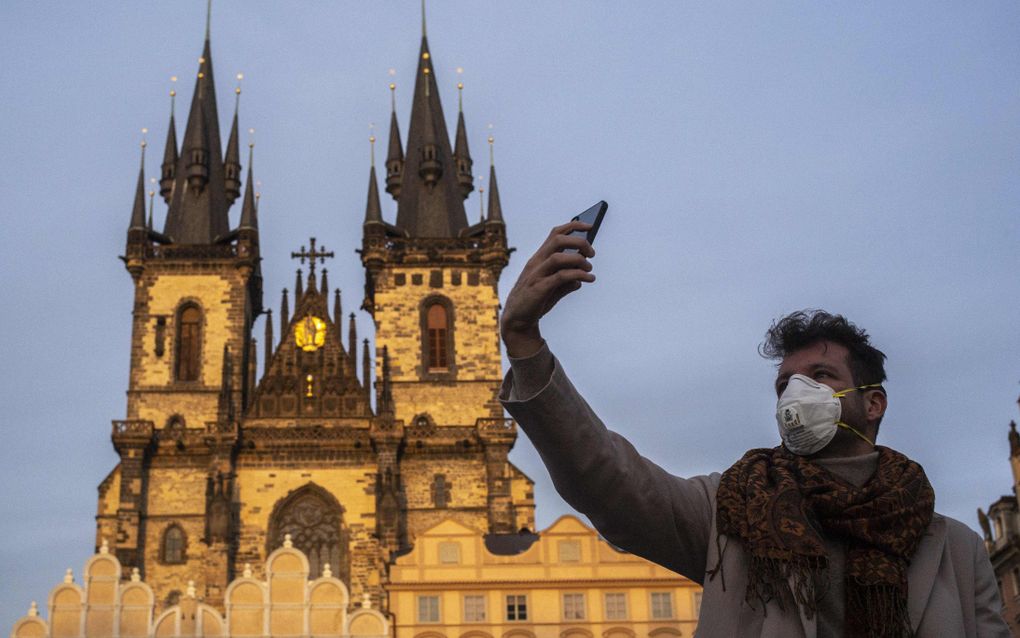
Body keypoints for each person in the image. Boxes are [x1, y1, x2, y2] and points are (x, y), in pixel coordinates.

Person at [498, 221, 1008, 637]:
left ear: (872, 403)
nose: (795, 394)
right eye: (785, 383)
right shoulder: (731, 510)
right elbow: (605, 478)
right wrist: (524, 342)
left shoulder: (956, 549)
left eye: (820, 377)